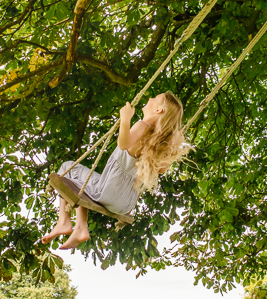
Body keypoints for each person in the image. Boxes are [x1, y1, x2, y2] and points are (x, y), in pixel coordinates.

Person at [41, 91, 189, 249]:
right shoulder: (157, 143)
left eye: (155, 98)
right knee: (84, 182)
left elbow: (123, 144)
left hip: (107, 192)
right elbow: (161, 170)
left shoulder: (143, 126)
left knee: (67, 168)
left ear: (158, 110)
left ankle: (65, 221)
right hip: (125, 205)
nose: (151, 98)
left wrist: (125, 119)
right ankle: (79, 228)